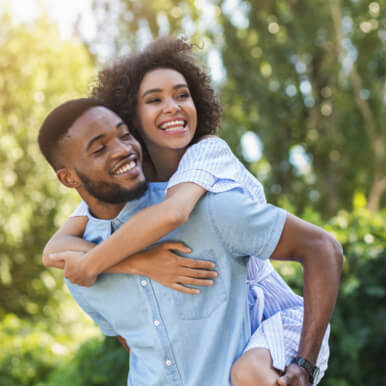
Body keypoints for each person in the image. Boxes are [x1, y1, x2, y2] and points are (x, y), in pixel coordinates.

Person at [41, 38, 343, 385]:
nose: (172, 107)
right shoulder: (121, 187)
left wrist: (93, 263)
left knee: (249, 374)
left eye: (182, 95)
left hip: (269, 312)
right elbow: (56, 248)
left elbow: (174, 214)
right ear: (131, 116)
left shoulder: (206, 160)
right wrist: (141, 263)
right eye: (154, 100)